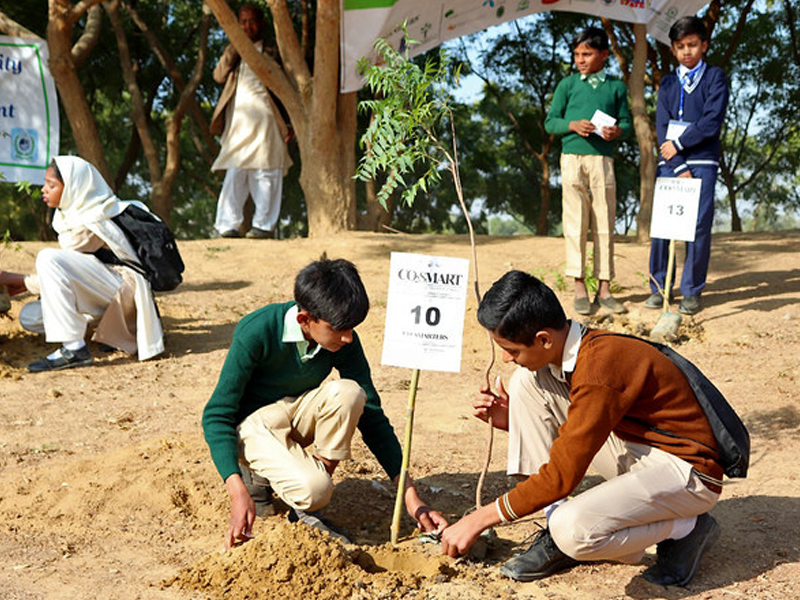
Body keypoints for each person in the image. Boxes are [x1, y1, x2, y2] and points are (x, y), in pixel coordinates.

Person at [441, 270, 724, 587]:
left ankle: (685, 528)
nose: (506, 358)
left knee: (573, 530)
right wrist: (515, 419)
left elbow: (562, 475)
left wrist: (478, 519)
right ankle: (554, 532)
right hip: (641, 449)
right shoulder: (574, 351)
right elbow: (579, 431)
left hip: (689, 473)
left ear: (544, 339)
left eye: (512, 349)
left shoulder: (598, 368)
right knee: (526, 383)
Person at [202, 258, 447, 548]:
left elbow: (371, 413)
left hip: (293, 413)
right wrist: (235, 489)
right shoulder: (257, 331)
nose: (348, 337)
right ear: (304, 319)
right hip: (253, 426)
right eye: (339, 328)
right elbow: (217, 415)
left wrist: (411, 496)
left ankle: (306, 510)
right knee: (315, 488)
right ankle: (261, 477)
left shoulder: (340, 339)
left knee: (350, 393)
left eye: (352, 327)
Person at [23, 156, 164, 372]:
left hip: (123, 289)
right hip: (102, 287)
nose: (44, 190)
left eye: (51, 185)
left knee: (48, 258)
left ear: (73, 187)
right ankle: (104, 330)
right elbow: (63, 279)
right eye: (46, 184)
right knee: (30, 316)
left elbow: (59, 271)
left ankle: (74, 349)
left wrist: (19, 281)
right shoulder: (72, 216)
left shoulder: (93, 218)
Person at [545, 27, 632, 316]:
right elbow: (550, 122)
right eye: (577, 54)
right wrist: (571, 125)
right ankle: (579, 285)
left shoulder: (616, 87)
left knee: (605, 221)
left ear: (604, 55)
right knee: (575, 222)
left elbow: (627, 124)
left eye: (587, 54)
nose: (580, 59)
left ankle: (605, 288)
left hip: (602, 161)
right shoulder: (567, 85)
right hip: (571, 158)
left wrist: (616, 130)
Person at [646, 16, 729, 316]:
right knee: (663, 226)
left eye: (693, 45)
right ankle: (659, 286)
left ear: (704, 45)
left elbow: (711, 121)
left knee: (697, 227)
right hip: (670, 162)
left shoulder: (715, 78)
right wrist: (677, 162)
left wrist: (681, 145)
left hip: (703, 161)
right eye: (680, 46)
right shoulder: (667, 82)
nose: (687, 52)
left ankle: (692, 290)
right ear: (672, 49)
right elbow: (662, 123)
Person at [210, 3, 292, 240]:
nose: (248, 26)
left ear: (262, 23)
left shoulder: (274, 49)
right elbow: (218, 76)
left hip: (268, 119)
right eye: (243, 21)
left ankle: (263, 226)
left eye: (252, 21)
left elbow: (289, 84)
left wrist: (290, 123)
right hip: (239, 121)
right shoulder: (234, 52)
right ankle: (227, 225)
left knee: (267, 171)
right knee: (235, 171)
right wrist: (235, 47)